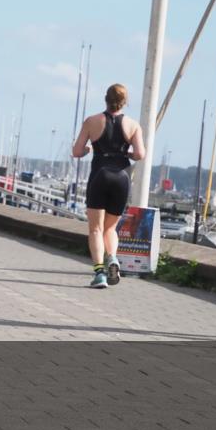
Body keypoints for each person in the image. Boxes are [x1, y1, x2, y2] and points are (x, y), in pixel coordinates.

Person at [71, 84, 145, 289]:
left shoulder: (91, 121)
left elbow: (76, 151)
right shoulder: (133, 125)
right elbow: (140, 154)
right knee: (110, 228)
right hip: (122, 176)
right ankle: (112, 257)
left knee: (95, 229)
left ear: (106, 98)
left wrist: (87, 150)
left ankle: (99, 274)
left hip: (100, 174)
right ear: (125, 102)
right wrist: (126, 154)